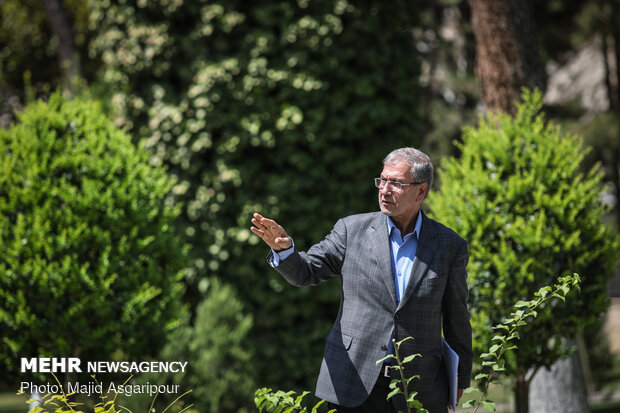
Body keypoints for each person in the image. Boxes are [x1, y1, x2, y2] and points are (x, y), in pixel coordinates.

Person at [251, 147, 472, 413]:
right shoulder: (350, 230)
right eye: (382, 180)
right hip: (352, 381)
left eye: (396, 183)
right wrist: (284, 250)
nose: (385, 190)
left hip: (419, 387)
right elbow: (306, 271)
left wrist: (461, 378)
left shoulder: (450, 246)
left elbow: (457, 316)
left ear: (421, 191)